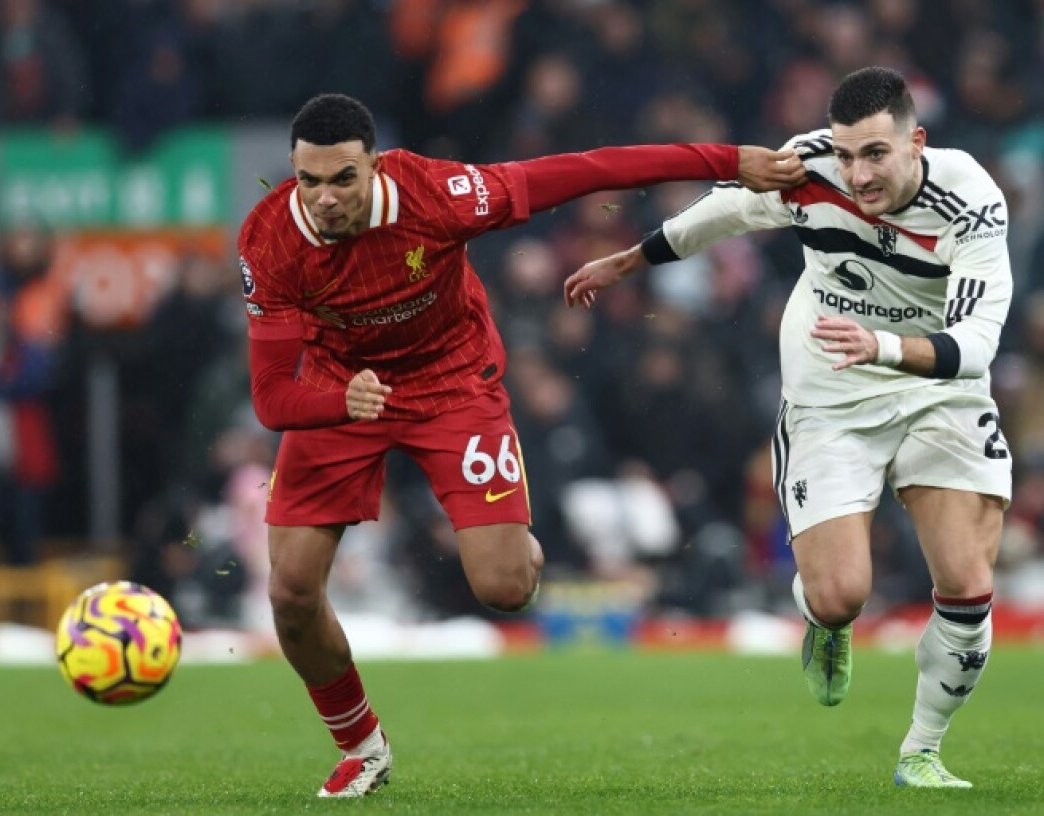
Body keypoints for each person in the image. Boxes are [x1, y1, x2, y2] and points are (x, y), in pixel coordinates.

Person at [239, 92, 804, 798]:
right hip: (342, 392)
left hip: (451, 384)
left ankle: (516, 544)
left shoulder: (439, 194)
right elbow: (271, 399)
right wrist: (339, 401)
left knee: (505, 588)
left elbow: (592, 169)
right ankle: (363, 744)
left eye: (342, 179)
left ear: (376, 167)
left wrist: (727, 161)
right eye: (309, 180)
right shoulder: (269, 238)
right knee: (290, 594)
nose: (324, 199)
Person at [564, 67, 1012, 789]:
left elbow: (977, 348)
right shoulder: (807, 169)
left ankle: (921, 750)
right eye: (845, 153)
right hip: (831, 389)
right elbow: (724, 213)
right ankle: (823, 623)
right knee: (841, 595)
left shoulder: (971, 201)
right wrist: (629, 259)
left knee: (966, 580)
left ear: (916, 141)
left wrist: (885, 347)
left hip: (939, 389)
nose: (856, 173)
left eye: (874, 153)